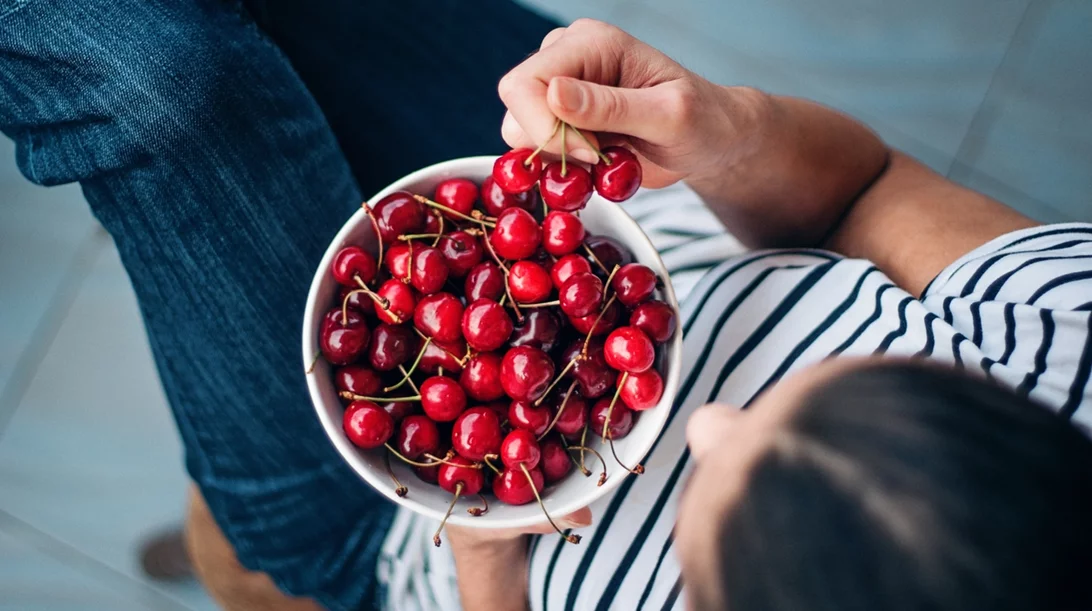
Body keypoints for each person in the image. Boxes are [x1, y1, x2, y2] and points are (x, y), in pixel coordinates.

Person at [374, 20, 1092, 611]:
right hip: (575, 213)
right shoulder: (1069, 334)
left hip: (390, 537)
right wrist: (728, 134)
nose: (707, 420)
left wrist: (486, 557)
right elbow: (865, 192)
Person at [0, 0, 556, 609]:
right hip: (579, 218)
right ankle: (225, 522)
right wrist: (683, 146)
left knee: (156, 89)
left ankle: (231, 541)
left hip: (408, 533)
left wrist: (484, 552)